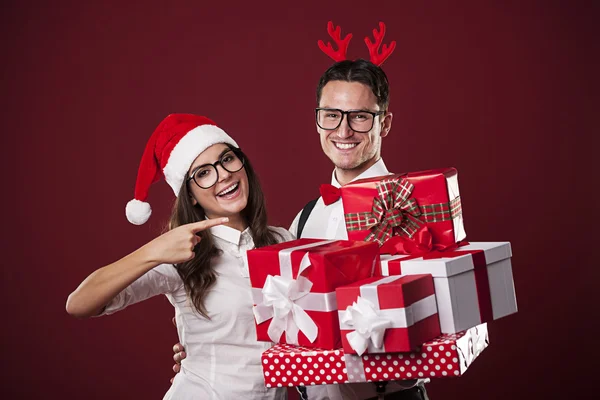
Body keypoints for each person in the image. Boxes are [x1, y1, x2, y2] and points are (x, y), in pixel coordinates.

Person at [66, 114, 293, 400]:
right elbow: (79, 304)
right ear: (192, 196)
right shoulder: (181, 253)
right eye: (203, 173)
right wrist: (155, 250)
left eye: (227, 159)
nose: (223, 174)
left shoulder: (283, 241)